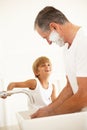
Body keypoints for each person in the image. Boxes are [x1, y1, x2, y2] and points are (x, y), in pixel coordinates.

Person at [31, 6, 87, 118]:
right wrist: (47, 109)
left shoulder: (84, 42)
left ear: (54, 27)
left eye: (46, 37)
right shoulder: (66, 48)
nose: (49, 43)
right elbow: (70, 87)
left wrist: (50, 114)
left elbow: (85, 95)